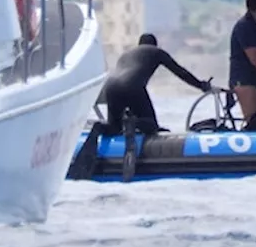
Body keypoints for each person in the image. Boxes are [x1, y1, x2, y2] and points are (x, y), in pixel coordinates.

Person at [70, 34, 212, 180]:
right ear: (154, 45)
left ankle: (100, 127)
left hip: (110, 87)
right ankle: (132, 123)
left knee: (113, 127)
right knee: (151, 125)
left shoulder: (126, 55)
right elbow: (179, 71)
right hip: (132, 85)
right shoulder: (156, 52)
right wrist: (201, 85)